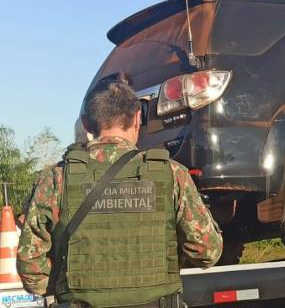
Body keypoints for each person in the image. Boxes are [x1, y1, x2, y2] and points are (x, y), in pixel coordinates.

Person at [17, 79, 223, 308]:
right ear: (137, 118)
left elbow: (31, 269)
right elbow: (207, 251)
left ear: (86, 124)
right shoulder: (171, 174)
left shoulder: (56, 180)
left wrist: (71, 288)